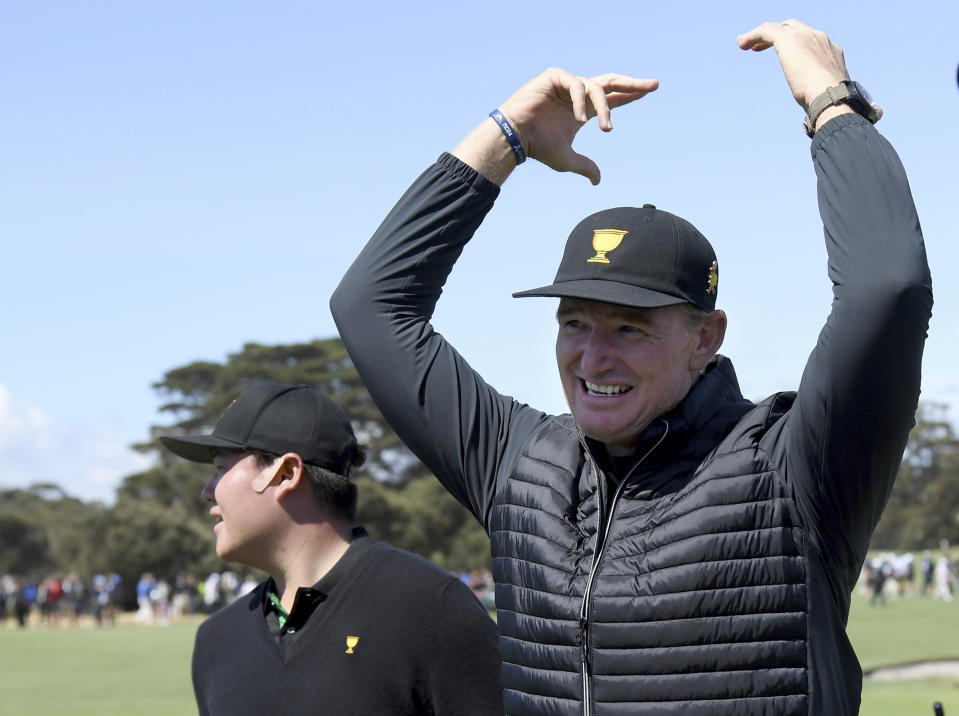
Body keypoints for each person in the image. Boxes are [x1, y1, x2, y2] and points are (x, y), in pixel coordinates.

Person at [331, 19, 932, 716]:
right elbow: (370, 305)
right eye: (573, 323)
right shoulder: (519, 463)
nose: (593, 356)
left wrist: (831, 104)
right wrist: (507, 136)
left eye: (630, 326)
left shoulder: (791, 465)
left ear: (705, 338)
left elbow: (886, 287)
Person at [160, 382, 504, 715]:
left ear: (286, 474)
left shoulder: (432, 610)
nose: (207, 491)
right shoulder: (216, 641)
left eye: (220, 469)